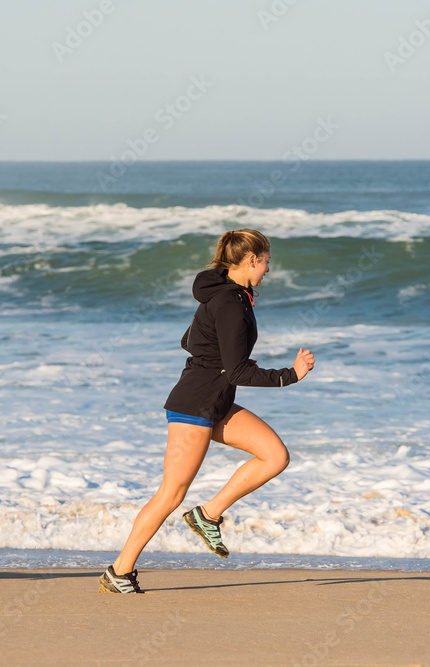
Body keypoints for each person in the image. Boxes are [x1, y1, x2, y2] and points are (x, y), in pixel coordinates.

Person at [99, 228, 315, 594]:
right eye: (265, 262)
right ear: (250, 260)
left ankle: (208, 514)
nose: (267, 270)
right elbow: (238, 371)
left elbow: (190, 341)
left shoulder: (227, 295)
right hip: (196, 404)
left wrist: (211, 355)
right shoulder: (230, 302)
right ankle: (119, 571)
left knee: (275, 455)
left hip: (213, 400)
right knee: (170, 493)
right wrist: (290, 375)